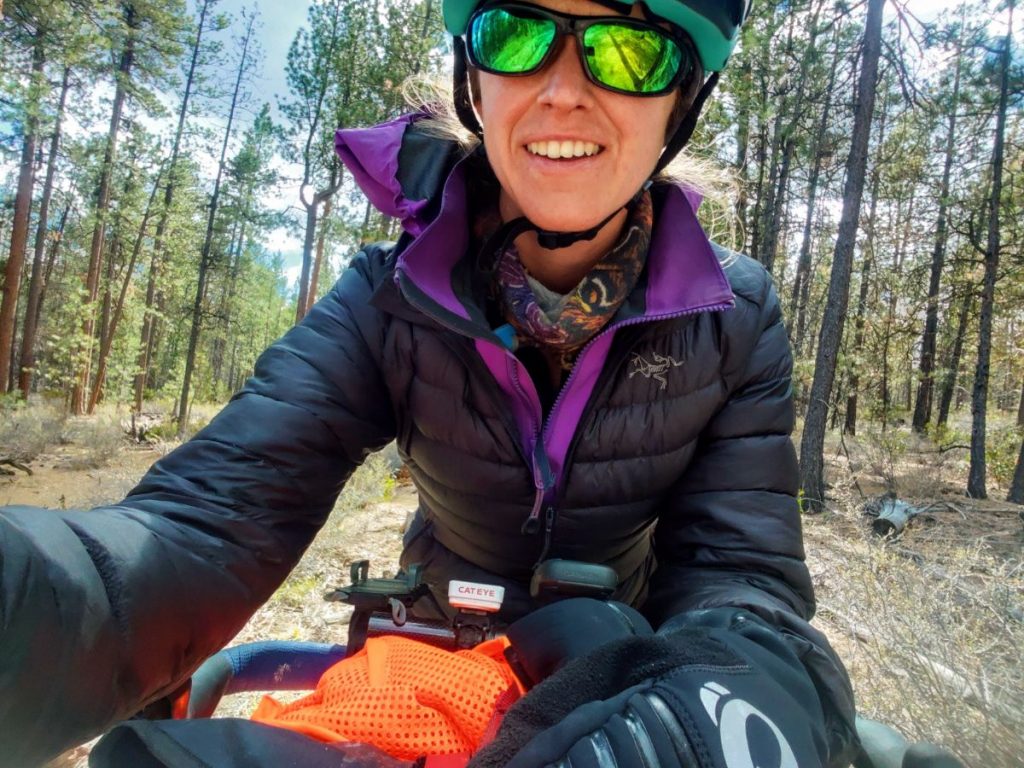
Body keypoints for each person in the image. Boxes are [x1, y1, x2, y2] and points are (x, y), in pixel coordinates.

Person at [0, 0, 859, 766]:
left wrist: (716, 707)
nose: (562, 89)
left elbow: (740, 579)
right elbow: (203, 528)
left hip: (624, 646)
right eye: (515, 32)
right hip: (434, 628)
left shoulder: (732, 314)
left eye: (631, 49)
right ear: (473, 81)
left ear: (682, 101)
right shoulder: (389, 294)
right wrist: (24, 607)